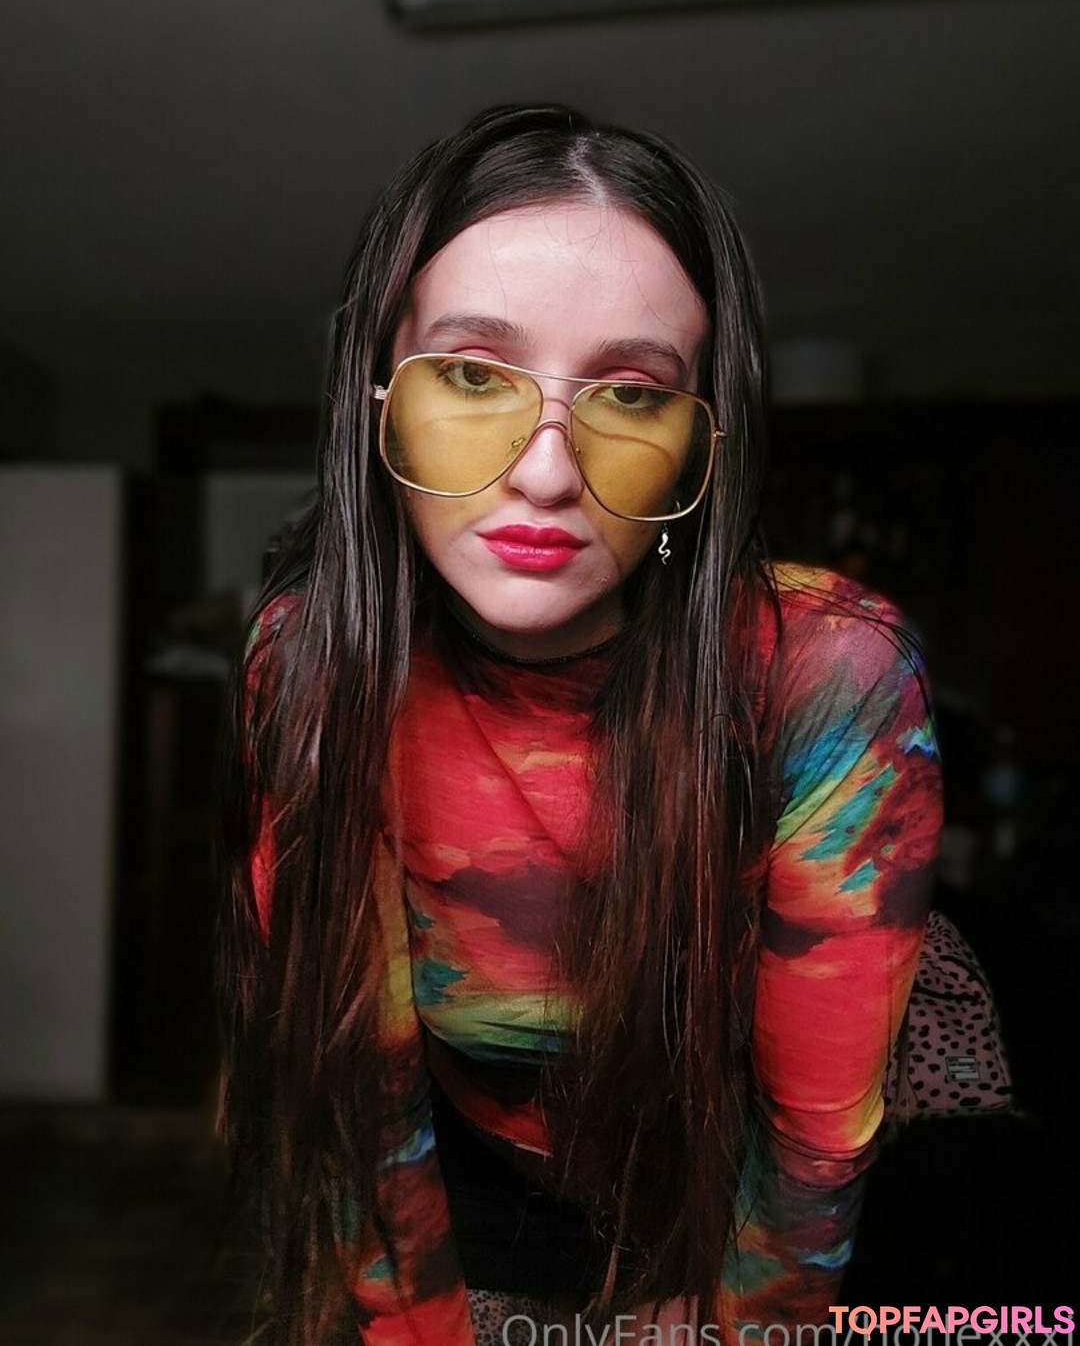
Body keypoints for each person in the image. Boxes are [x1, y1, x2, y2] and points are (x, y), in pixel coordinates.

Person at [218, 104, 942, 1346]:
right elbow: (358, 1089)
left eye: (631, 391)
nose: (547, 470)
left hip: (736, 1209)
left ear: (697, 446)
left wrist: (737, 1327)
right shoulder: (310, 662)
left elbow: (817, 1134)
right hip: (454, 1197)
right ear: (379, 402)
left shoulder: (831, 671)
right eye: (471, 373)